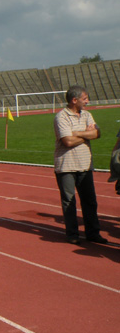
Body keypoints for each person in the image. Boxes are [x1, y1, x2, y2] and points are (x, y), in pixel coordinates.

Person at [53, 85, 108, 245]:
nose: (87, 101)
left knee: (90, 201)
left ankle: (93, 233)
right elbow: (68, 141)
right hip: (66, 165)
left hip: (85, 164)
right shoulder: (61, 117)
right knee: (69, 202)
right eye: (85, 98)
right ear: (74, 100)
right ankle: (72, 234)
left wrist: (76, 133)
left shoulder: (87, 115)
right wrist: (87, 134)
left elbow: (97, 133)